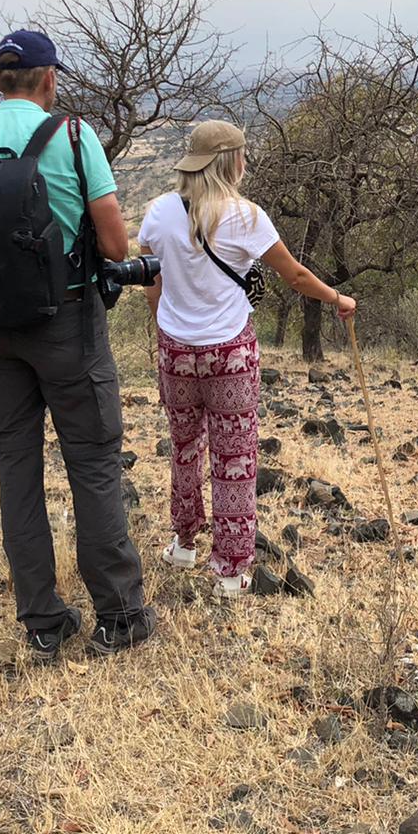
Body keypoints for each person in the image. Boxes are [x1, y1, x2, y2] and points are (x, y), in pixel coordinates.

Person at [0, 30, 152, 659]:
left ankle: (43, 622)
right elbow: (115, 248)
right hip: (67, 326)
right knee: (92, 463)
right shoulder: (74, 139)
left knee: (17, 473)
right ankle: (118, 615)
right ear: (48, 78)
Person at [137, 119, 355, 598]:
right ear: (232, 161)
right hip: (231, 353)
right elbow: (295, 276)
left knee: (184, 448)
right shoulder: (245, 217)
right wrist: (337, 299)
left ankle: (184, 541)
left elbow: (152, 278)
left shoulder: (158, 211)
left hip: (176, 350)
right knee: (234, 458)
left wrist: (165, 326)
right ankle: (232, 569)